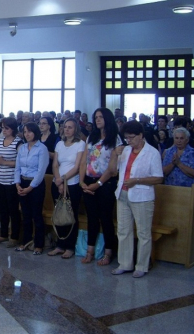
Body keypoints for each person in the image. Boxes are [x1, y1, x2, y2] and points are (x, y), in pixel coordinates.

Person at [108, 121, 163, 278]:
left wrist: (137, 180)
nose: (129, 141)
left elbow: (158, 178)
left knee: (143, 232)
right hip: (123, 194)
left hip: (142, 196)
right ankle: (125, 263)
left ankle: (142, 265)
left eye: (131, 137)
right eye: (126, 138)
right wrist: (114, 154)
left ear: (141, 135)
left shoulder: (152, 153)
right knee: (123, 230)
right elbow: (112, 171)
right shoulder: (124, 150)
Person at [80, 107, 122, 266]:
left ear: (108, 119)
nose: (97, 120)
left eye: (100, 117)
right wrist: (82, 181)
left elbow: (112, 168)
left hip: (105, 183)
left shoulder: (115, 139)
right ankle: (90, 251)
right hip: (89, 181)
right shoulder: (92, 136)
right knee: (91, 218)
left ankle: (108, 252)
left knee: (105, 218)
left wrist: (97, 185)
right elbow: (84, 160)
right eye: (96, 117)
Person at [48, 118, 85, 259]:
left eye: (70, 127)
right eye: (65, 127)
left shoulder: (80, 144)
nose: (67, 129)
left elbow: (77, 167)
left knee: (70, 215)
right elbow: (55, 164)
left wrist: (63, 180)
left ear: (76, 129)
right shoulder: (59, 144)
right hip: (57, 183)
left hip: (72, 184)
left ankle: (70, 246)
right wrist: (58, 181)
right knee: (59, 214)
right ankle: (60, 245)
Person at [14, 122, 49, 255]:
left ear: (35, 132)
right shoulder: (22, 148)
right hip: (22, 182)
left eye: (29, 131)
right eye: (24, 132)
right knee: (26, 215)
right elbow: (17, 168)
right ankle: (26, 241)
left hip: (36, 185)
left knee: (36, 215)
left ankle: (39, 244)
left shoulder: (42, 148)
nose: (26, 134)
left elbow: (41, 171)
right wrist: (17, 184)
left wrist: (30, 188)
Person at [0, 117, 22, 248]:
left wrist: (4, 162)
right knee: (2, 208)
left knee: (13, 209)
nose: (3, 130)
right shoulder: (0, 140)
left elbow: (20, 163)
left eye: (6, 128)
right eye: (2, 127)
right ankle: (3, 234)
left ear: (13, 129)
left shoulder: (18, 142)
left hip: (11, 180)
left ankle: (14, 236)